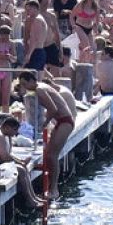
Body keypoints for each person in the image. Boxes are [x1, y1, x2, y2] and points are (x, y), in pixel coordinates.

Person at [17, 70, 75, 200]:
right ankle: (49, 186)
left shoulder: (40, 89)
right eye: (22, 85)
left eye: (25, 84)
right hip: (61, 121)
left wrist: (45, 123)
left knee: (52, 155)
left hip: (65, 121)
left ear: (32, 80)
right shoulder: (42, 87)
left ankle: (54, 189)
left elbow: (53, 109)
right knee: (48, 154)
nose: (25, 87)